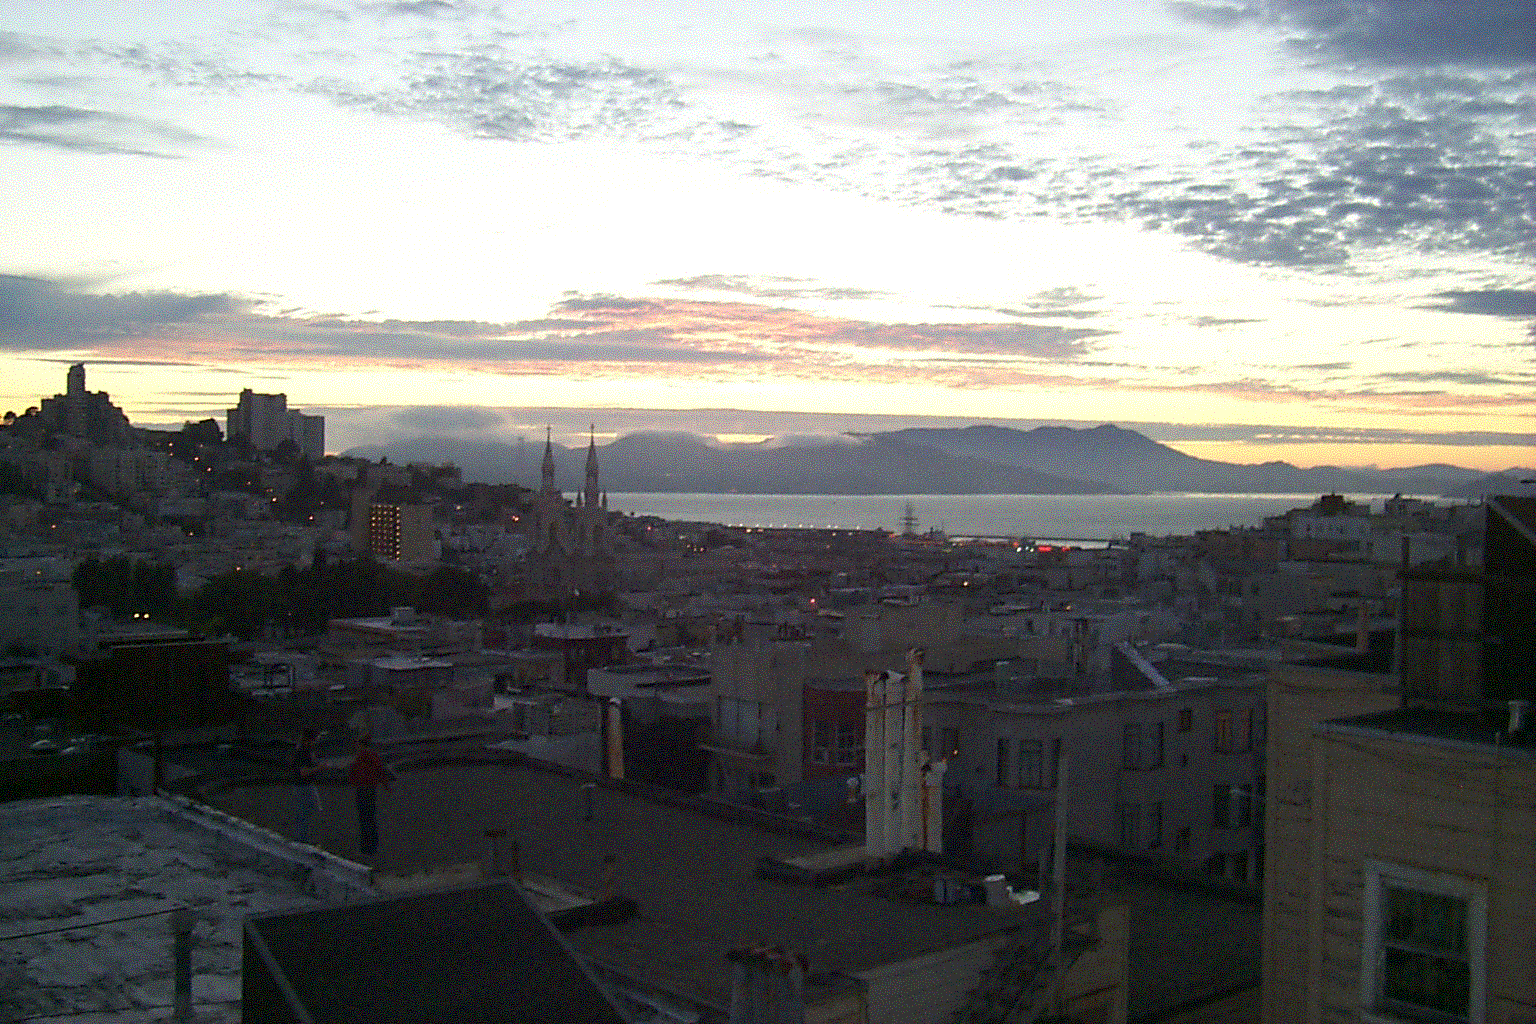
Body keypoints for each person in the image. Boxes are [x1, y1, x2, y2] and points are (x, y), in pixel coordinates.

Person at [348, 732, 396, 857]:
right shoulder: (372, 755)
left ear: (360, 745)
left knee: (365, 818)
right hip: (370, 789)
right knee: (369, 817)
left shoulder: (362, 756)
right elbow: (380, 771)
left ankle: (367, 847)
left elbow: (355, 774)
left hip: (363, 789)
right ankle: (371, 846)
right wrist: (387, 786)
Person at [292, 728, 320, 844]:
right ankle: (301, 838)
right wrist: (320, 768)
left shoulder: (307, 751)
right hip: (303, 785)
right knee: (304, 811)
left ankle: (302, 837)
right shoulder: (302, 752)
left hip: (306, 784)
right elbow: (303, 772)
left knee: (308, 809)